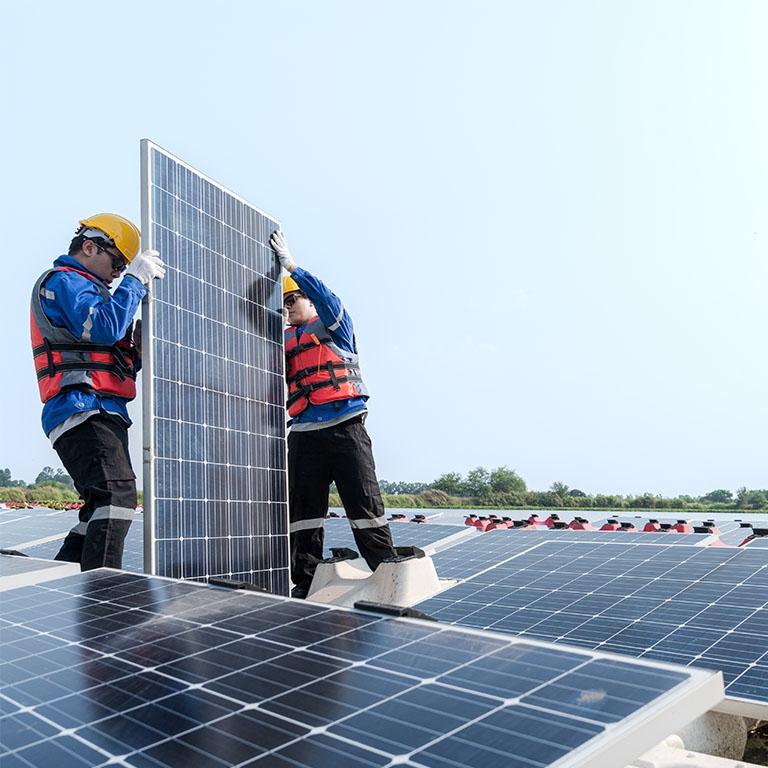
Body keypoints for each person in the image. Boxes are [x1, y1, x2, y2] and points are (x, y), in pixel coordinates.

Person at [30, 214, 166, 570]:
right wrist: (135, 281)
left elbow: (106, 358)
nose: (119, 272)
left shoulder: (96, 293)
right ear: (89, 247)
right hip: (82, 408)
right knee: (117, 495)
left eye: (125, 267)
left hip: (103, 408)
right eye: (118, 262)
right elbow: (103, 328)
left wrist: (134, 353)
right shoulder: (64, 282)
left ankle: (61, 584)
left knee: (97, 508)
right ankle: (102, 596)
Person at [270, 230, 396, 598]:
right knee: (304, 510)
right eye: (285, 301)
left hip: (345, 427)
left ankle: (385, 572)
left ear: (309, 300)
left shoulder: (336, 329)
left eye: (294, 298)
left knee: (364, 504)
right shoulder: (283, 340)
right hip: (305, 433)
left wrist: (293, 267)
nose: (289, 305)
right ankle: (305, 580)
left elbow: (328, 298)